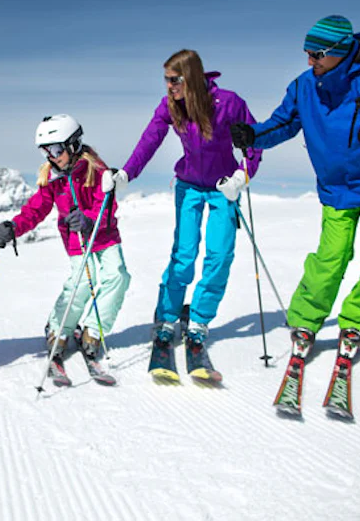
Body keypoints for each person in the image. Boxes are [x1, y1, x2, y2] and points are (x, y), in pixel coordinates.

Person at [230, 14, 360, 363]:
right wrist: (254, 136)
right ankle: (306, 320)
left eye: (316, 54)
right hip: (336, 189)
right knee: (331, 257)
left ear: (340, 51)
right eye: (306, 53)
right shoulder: (304, 86)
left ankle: (357, 321)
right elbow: (285, 123)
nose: (309, 60)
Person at [103, 49, 262, 379]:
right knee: (184, 255)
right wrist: (127, 174)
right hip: (188, 185)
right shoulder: (170, 106)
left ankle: (199, 321)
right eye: (166, 80)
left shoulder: (229, 103)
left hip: (222, 188)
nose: (169, 86)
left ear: (191, 77)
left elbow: (253, 142)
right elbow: (150, 139)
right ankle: (166, 319)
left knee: (219, 255)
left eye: (174, 80)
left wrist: (242, 177)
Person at [0, 114, 130, 380]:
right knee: (80, 282)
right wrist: (14, 227)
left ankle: (92, 330)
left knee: (117, 276)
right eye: (46, 151)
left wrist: (90, 220)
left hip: (104, 235)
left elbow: (108, 205)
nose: (51, 157)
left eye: (56, 149)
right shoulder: (52, 178)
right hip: (76, 240)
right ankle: (58, 328)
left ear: (74, 144)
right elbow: (36, 209)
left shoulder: (99, 171)